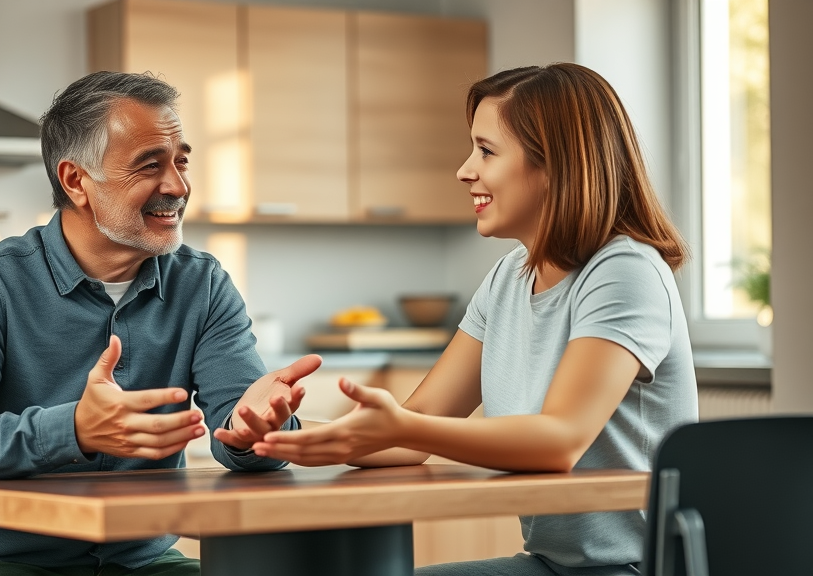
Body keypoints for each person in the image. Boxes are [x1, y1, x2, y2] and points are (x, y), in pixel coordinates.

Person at [253, 63, 699, 576]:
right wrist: (282, 433)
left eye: (486, 151)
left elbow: (559, 441)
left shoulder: (624, 272)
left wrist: (405, 425)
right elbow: (415, 429)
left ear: (555, 165)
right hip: (555, 565)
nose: (465, 170)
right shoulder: (509, 276)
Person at [0, 71, 322, 576]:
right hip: (1, 563)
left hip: (144, 562)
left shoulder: (202, 285)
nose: (178, 187)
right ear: (76, 181)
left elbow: (237, 429)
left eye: (181, 162)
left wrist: (258, 433)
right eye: (149, 166)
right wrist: (73, 429)